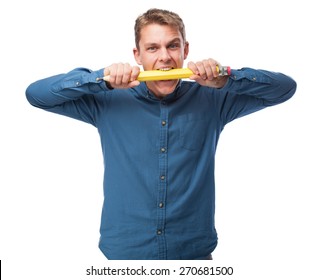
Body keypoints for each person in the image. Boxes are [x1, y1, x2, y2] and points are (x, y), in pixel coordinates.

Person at [26, 8, 296, 260]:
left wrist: (227, 76)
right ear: (138, 55)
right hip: (125, 254)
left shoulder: (215, 99)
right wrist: (99, 78)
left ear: (185, 49)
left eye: (173, 45)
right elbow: (37, 95)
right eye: (152, 48)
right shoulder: (106, 101)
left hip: (193, 254)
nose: (164, 57)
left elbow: (285, 89)